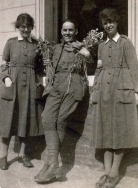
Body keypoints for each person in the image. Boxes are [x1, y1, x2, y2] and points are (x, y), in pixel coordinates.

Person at [34, 19, 91, 183]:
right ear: (61, 31)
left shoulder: (82, 47)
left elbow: (91, 62)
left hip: (73, 87)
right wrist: (47, 64)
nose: (68, 33)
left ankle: (50, 164)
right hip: (56, 87)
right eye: (65, 30)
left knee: (60, 122)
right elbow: (46, 66)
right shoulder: (55, 48)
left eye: (71, 30)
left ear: (76, 31)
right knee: (47, 119)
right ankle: (53, 163)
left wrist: (87, 55)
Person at [91, 8, 138, 188]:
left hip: (121, 92)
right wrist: (95, 90)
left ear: (117, 23)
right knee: (105, 131)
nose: (108, 25)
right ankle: (106, 172)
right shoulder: (102, 46)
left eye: (111, 21)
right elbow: (99, 69)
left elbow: (134, 68)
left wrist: (136, 92)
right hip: (104, 93)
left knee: (120, 131)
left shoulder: (125, 43)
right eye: (105, 23)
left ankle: (114, 172)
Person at [0, 13, 44, 170]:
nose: (26, 29)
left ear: (32, 27)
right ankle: (3, 157)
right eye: (23, 26)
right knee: (7, 123)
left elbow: (40, 68)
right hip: (12, 86)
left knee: (27, 121)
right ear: (17, 27)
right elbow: (3, 63)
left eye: (29, 26)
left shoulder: (38, 45)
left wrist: (39, 84)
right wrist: (6, 78)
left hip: (30, 86)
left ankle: (24, 155)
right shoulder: (11, 43)